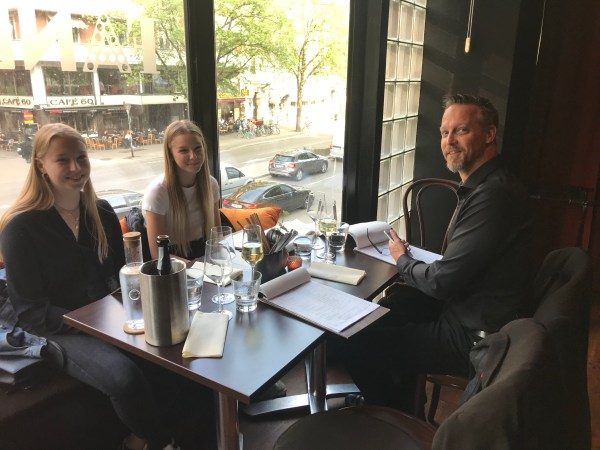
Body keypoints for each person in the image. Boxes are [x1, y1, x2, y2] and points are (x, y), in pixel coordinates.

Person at [339, 94, 533, 411]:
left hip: (476, 336)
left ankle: (393, 417)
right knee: (387, 309)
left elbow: (442, 282)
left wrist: (402, 259)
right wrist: (409, 264)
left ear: (489, 134)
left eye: (461, 130)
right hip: (467, 309)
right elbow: (457, 269)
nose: (449, 141)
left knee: (356, 343)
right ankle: (401, 399)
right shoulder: (488, 185)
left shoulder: (494, 195)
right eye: (444, 132)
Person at [0, 123, 179, 450]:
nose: (76, 167)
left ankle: (146, 436)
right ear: (41, 165)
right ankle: (157, 441)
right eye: (63, 160)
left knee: (169, 353)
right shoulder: (20, 227)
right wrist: (94, 325)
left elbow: (118, 277)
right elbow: (30, 311)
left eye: (81, 158)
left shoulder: (102, 212)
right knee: (123, 376)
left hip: (105, 317)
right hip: (54, 328)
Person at [142, 120, 220, 260]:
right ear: (170, 155)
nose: (193, 156)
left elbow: (217, 236)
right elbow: (158, 255)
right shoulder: (157, 193)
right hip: (173, 264)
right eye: (184, 150)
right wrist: (199, 268)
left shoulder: (211, 185)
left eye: (198, 148)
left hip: (205, 258)